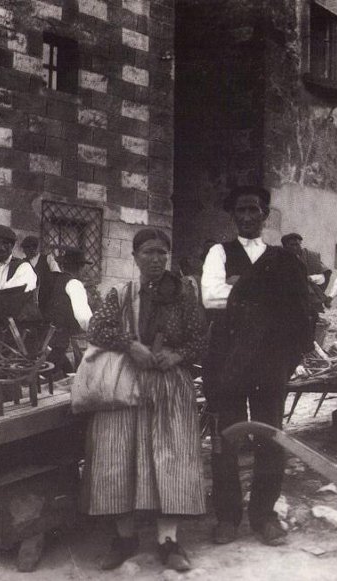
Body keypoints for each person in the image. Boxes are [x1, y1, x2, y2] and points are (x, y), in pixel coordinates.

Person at [81, 228, 207, 572]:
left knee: (171, 461)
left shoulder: (183, 295)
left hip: (170, 389)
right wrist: (130, 344)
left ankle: (169, 541)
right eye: (148, 253)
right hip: (126, 389)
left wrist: (179, 355)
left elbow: (200, 338)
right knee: (119, 458)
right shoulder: (122, 294)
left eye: (161, 253)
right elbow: (96, 330)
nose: (155, 259)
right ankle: (124, 539)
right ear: (134, 257)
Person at [201, 185, 311, 546]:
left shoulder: (281, 258)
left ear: (265, 214)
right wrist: (263, 294)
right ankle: (228, 517)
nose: (247, 217)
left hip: (269, 361)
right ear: (233, 217)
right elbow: (210, 296)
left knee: (269, 437)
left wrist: (238, 288)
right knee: (226, 439)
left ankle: (264, 515)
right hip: (227, 360)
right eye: (241, 211)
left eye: (254, 210)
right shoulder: (219, 252)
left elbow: (296, 306)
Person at [41, 247, 93, 377]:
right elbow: (84, 317)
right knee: (70, 377)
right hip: (61, 343)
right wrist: (96, 329)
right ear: (80, 267)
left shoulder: (51, 279)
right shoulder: (74, 284)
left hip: (44, 340)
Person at [281, 232, 332, 326]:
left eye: (298, 244)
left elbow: (324, 275)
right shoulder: (280, 259)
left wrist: (311, 279)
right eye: (292, 245)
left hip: (310, 297)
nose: (296, 247)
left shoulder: (311, 257)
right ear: (285, 246)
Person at [20, 235, 60, 311]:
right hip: (29, 303)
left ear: (33, 248)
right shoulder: (23, 263)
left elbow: (57, 276)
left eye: (26, 248)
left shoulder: (48, 259)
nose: (24, 251)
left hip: (46, 299)